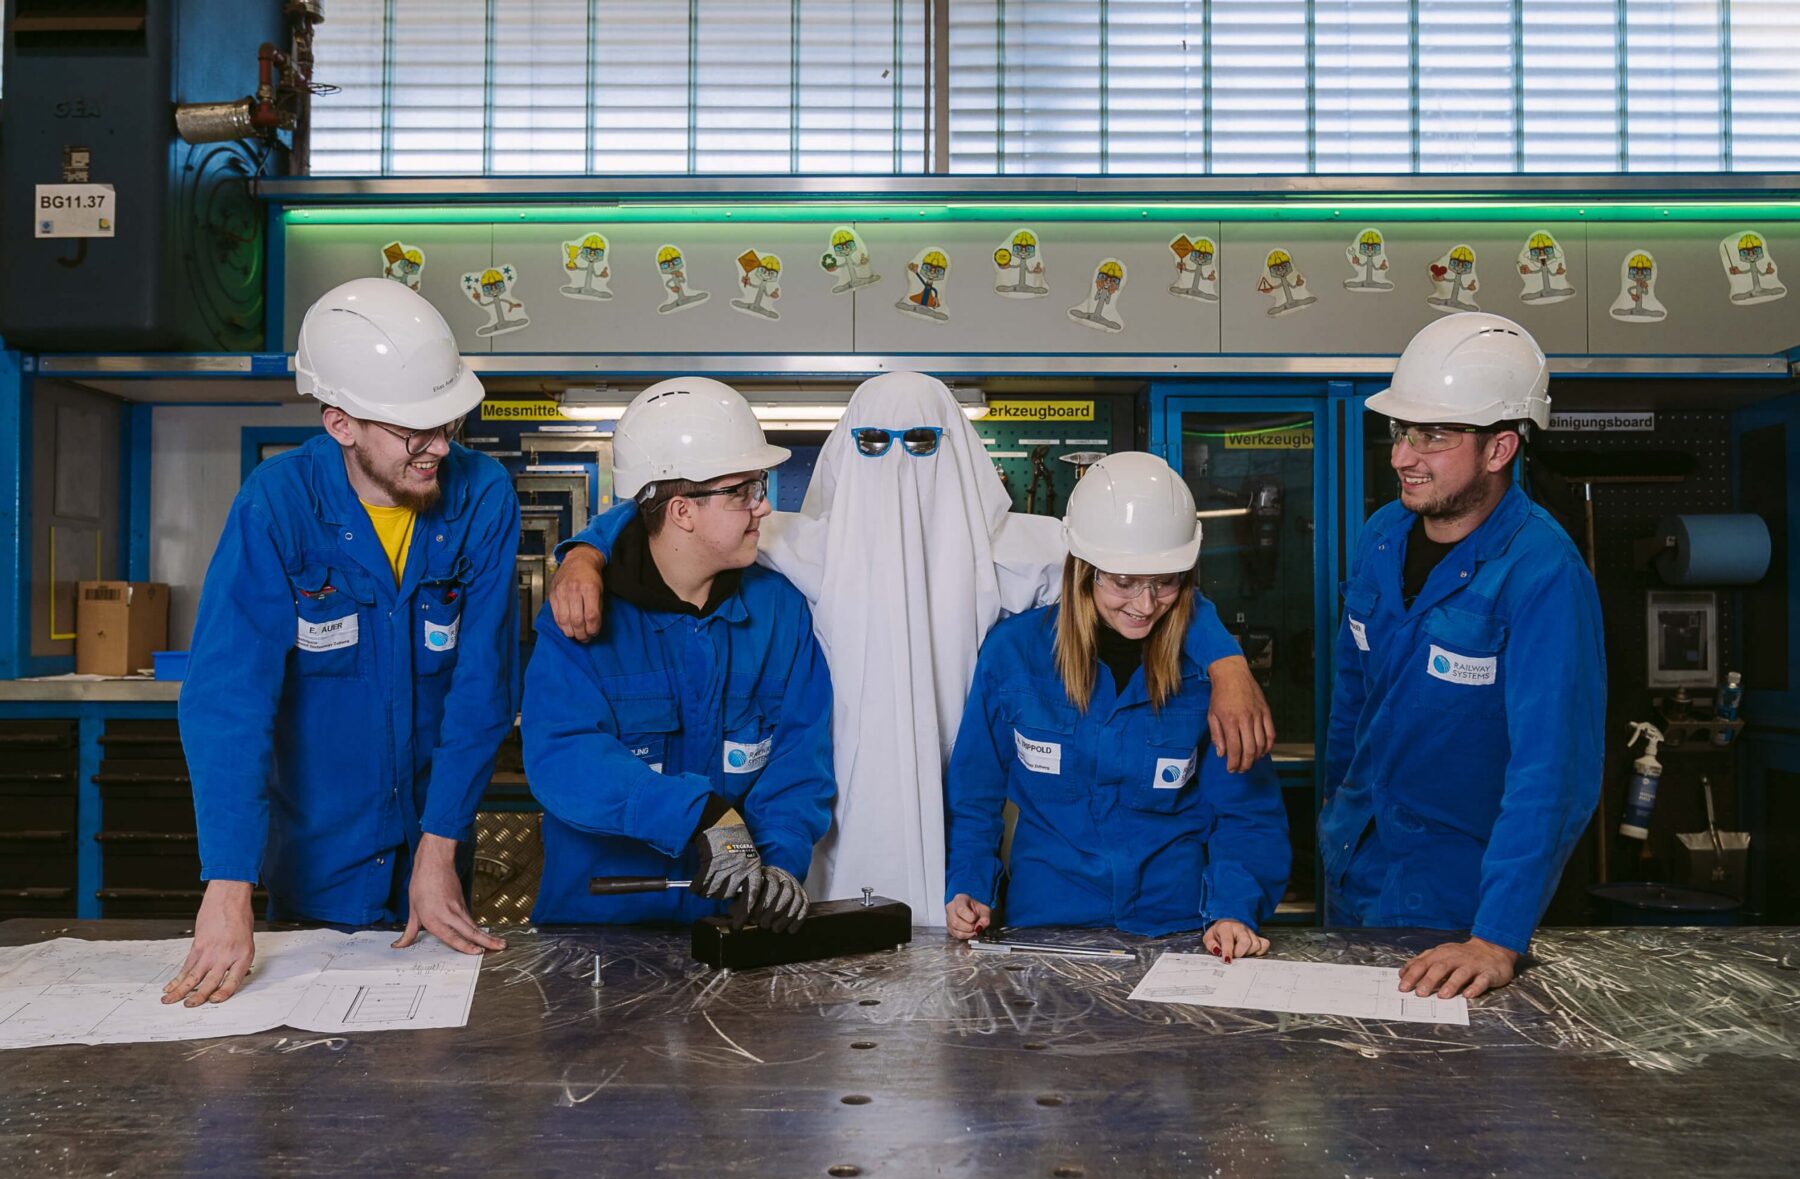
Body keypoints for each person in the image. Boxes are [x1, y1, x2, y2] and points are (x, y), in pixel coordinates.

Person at [548, 372, 1274, 922]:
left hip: (959, 830)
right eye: (872, 445)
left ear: (955, 450)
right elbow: (665, 517)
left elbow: (1135, 569)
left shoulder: (1010, 552)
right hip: (830, 842)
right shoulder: (797, 543)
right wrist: (586, 551)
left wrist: (1223, 658)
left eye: (922, 445)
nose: (898, 467)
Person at [166, 278, 518, 1007]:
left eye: (450, 423)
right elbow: (229, 699)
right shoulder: (279, 503)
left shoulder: (482, 495)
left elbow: (482, 686)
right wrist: (228, 882)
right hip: (316, 856)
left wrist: (441, 842)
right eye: (413, 431)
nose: (439, 449)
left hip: (437, 849)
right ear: (340, 424)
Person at [1324, 312, 1605, 1000]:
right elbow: (1351, 702)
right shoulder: (1382, 537)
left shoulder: (1542, 574)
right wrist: (1335, 820)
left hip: (1460, 911)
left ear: (1500, 448)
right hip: (1356, 871)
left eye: (1434, 435)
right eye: (1400, 431)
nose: (1401, 456)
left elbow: (1553, 771)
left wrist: (1497, 937)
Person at [943, 453, 1290, 950]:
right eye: (1123, 582)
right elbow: (975, 796)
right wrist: (970, 886)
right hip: (1046, 927)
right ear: (1083, 571)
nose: (1145, 605)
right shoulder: (1013, 657)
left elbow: (1245, 814)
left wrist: (1233, 911)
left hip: (1181, 927)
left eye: (1165, 581)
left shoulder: (1205, 675)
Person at [522, 378, 833, 930]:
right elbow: (563, 755)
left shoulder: (780, 613)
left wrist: (780, 863)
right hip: (602, 931)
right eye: (743, 491)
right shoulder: (582, 612)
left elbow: (798, 759)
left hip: (729, 927)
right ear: (683, 511)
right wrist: (698, 814)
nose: (762, 507)